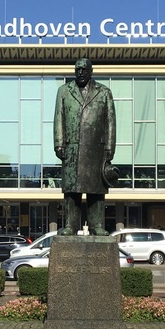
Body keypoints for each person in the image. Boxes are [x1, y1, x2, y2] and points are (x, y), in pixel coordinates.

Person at [53, 57, 117, 235]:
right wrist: (59, 144)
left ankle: (96, 225)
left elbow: (110, 122)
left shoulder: (104, 92)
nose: (80, 72)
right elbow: (59, 118)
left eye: (83, 69)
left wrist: (110, 148)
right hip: (71, 148)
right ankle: (71, 225)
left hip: (96, 149)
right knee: (72, 191)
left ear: (91, 71)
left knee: (95, 191)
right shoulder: (64, 91)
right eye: (77, 69)